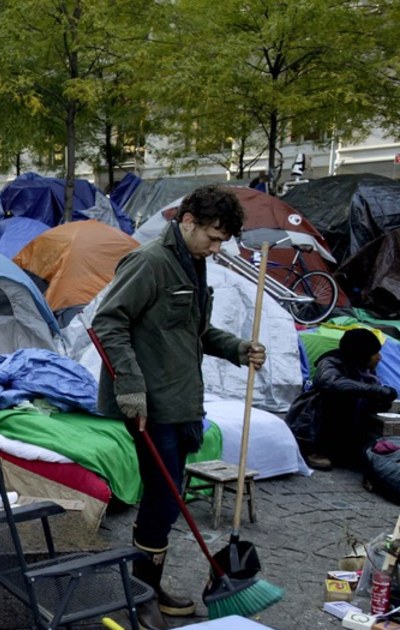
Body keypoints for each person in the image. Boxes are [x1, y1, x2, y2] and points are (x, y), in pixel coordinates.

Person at [92, 184, 266, 623]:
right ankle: (142, 595)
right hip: (150, 405)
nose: (216, 246)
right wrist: (130, 386)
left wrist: (239, 348)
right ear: (188, 221)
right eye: (212, 236)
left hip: (183, 401)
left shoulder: (193, 262)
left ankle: (146, 586)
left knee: (168, 498)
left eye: (222, 240)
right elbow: (107, 323)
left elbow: (196, 332)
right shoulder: (149, 261)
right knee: (163, 500)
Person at [286, 328, 397, 470]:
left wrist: (383, 398)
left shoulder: (365, 370)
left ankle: (346, 449)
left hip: (349, 427)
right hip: (314, 423)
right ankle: (313, 450)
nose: (379, 357)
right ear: (363, 353)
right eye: (375, 353)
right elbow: (328, 382)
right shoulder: (331, 361)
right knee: (334, 397)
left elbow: (373, 392)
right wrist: (374, 390)